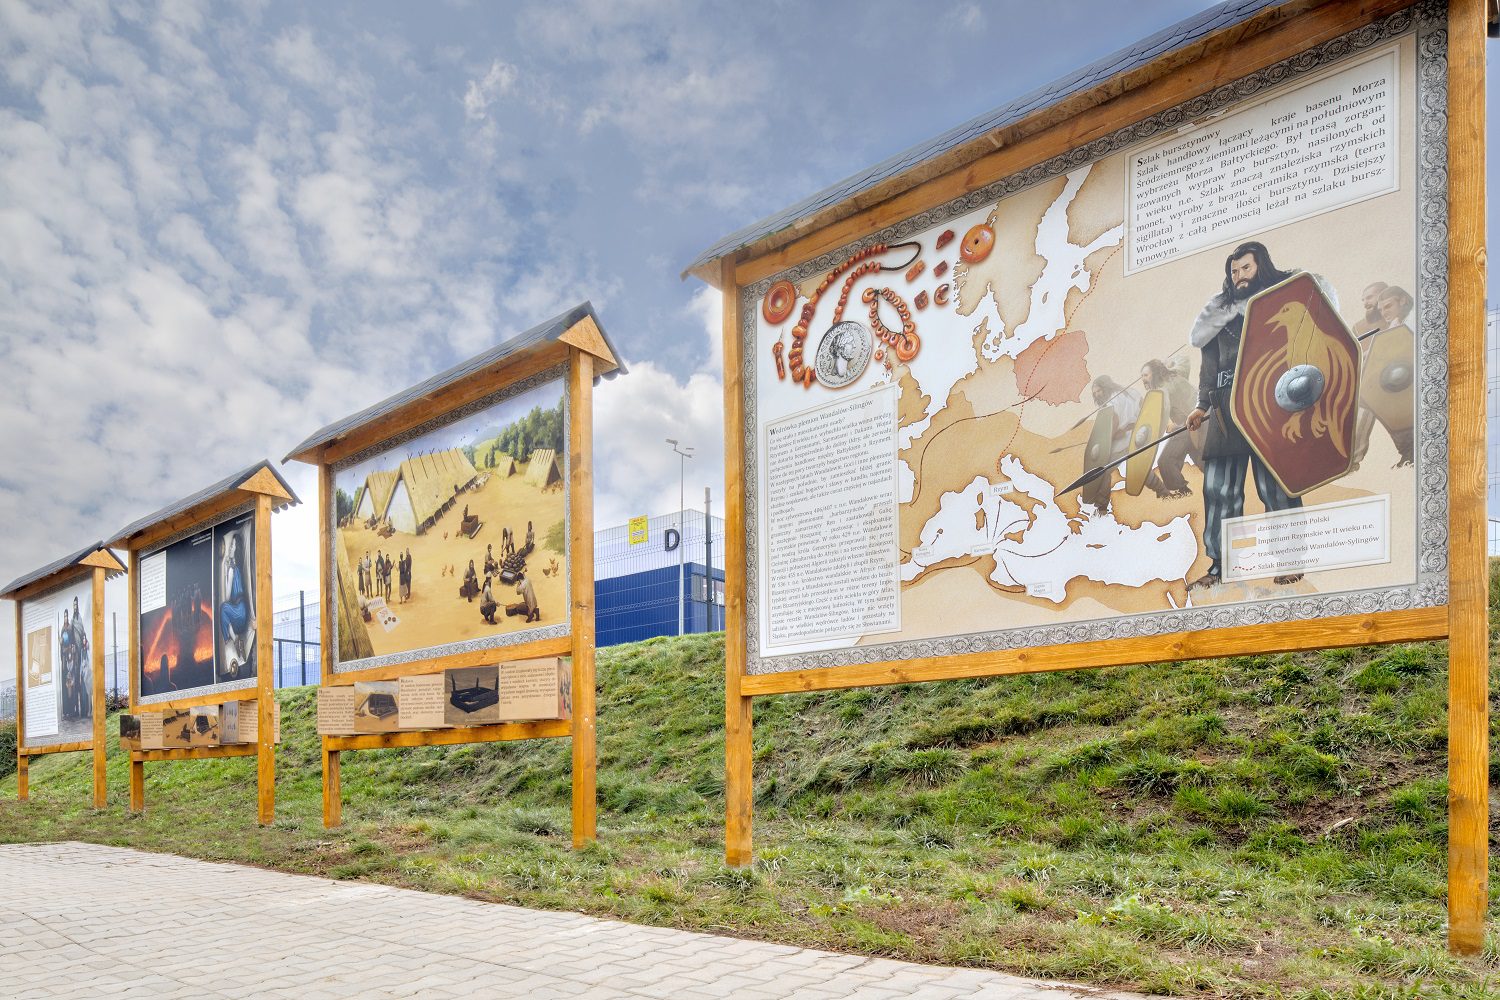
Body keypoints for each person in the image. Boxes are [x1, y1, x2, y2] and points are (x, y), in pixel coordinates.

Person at [1185, 241, 1330, 589]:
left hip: (1270, 404)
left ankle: (1290, 559)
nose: (1239, 276)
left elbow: (1308, 346)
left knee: (1277, 485)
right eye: (1234, 271)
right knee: (1219, 490)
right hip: (1225, 409)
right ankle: (1221, 567)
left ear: (1260, 265)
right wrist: (1202, 405)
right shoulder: (1218, 315)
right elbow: (1209, 366)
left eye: (1246, 268)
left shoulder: (1282, 303)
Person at [1141, 357, 1201, 499]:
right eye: (1142, 376)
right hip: (1197, 422)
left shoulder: (1163, 391)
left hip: (1187, 426)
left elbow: (1161, 416)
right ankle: (1184, 490)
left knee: (1166, 461)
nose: (1143, 379)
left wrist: (1170, 426)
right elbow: (1184, 360)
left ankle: (1182, 490)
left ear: (1155, 373)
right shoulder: (1176, 373)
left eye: (1146, 375)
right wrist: (1169, 362)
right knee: (1203, 461)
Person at [1081, 375, 1141, 513]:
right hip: (1136, 437)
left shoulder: (1111, 402)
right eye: (1095, 393)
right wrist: (1127, 427)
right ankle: (1101, 506)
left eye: (1099, 391)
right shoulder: (1130, 393)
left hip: (1122, 443)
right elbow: (1141, 410)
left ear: (1105, 387)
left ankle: (1101, 507)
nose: (1097, 395)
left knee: (1103, 470)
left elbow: (1113, 422)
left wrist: (1109, 437)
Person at [218, 532, 253, 677]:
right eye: (231, 545)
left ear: (236, 549)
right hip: (243, 612)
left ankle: (234, 639)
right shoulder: (237, 568)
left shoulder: (232, 569)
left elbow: (226, 597)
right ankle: (237, 640)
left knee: (223, 609)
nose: (231, 548)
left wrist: (226, 575)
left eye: (233, 545)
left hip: (238, 612)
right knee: (226, 612)